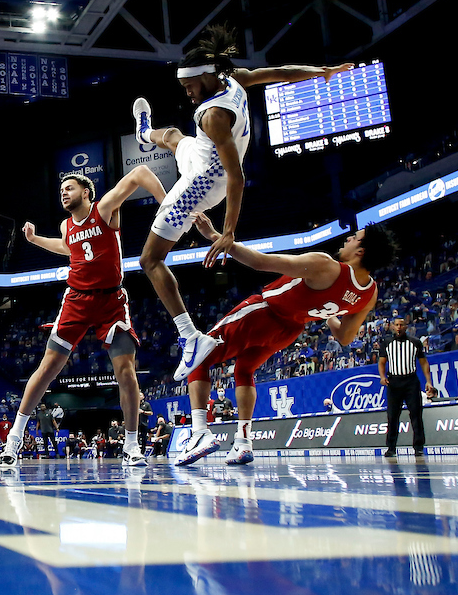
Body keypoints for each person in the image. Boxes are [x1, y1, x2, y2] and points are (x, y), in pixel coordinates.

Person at [131, 24, 355, 379]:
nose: (187, 92)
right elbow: (280, 72)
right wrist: (321, 72)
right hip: (202, 156)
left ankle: (190, 337)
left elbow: (236, 177)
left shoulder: (213, 116)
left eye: (189, 85)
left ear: (205, 77)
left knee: (150, 259)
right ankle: (145, 133)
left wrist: (229, 231)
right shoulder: (232, 79)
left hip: (201, 184)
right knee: (172, 136)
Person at [176, 215, 395, 466]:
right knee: (244, 371)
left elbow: (260, 262)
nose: (347, 238)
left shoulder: (326, 265)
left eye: (354, 238)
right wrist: (328, 312)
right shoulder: (369, 294)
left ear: (360, 251)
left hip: (264, 313)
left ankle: (200, 432)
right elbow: (345, 337)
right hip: (289, 331)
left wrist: (214, 236)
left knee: (198, 355)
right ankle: (243, 441)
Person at [0, 165, 168, 468]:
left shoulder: (105, 209)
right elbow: (67, 247)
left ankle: (131, 444)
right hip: (77, 300)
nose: (64, 193)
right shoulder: (67, 225)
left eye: (69, 188)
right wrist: (35, 240)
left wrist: (167, 205)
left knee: (126, 372)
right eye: (61, 190)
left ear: (86, 192)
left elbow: (140, 172)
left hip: (111, 301)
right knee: (48, 368)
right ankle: (14, 437)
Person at [379, 317, 437, 458]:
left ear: (406, 326)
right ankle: (391, 448)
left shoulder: (415, 342)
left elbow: (424, 362)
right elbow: (381, 362)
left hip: (411, 381)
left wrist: (428, 381)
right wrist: (382, 376)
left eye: (401, 325)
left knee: (416, 414)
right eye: (396, 325)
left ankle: (418, 447)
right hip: (394, 382)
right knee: (392, 416)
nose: (399, 327)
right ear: (393, 326)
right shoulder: (387, 343)